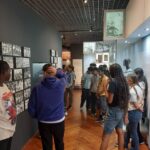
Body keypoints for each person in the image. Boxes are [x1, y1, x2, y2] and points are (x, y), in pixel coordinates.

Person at [28, 64, 66, 150]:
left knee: (46, 145)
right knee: (59, 143)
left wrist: (38, 116)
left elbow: (31, 108)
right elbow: (63, 75)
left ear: (44, 73)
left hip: (43, 121)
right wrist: (57, 72)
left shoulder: (37, 88)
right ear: (54, 73)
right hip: (59, 120)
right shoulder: (61, 84)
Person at [100, 63, 130, 150]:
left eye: (110, 70)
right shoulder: (124, 81)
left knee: (105, 137)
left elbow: (109, 100)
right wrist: (126, 113)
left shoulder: (113, 82)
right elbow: (127, 99)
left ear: (112, 71)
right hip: (121, 110)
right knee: (120, 132)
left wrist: (105, 88)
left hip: (113, 111)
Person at [0, 60, 16, 150]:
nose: (10, 73)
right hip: (2, 134)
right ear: (2, 72)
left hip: (9, 130)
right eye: (9, 71)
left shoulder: (4, 86)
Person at [125, 74, 144, 150]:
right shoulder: (138, 87)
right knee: (130, 129)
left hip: (133, 113)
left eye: (127, 79)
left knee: (133, 132)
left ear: (131, 80)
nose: (126, 80)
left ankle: (135, 148)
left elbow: (135, 105)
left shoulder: (132, 91)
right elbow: (141, 100)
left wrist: (140, 109)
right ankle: (125, 144)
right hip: (136, 113)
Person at [134, 68, 148, 144]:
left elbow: (140, 94)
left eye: (136, 73)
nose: (135, 75)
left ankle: (140, 139)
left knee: (136, 123)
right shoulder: (140, 80)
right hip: (138, 104)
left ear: (139, 74)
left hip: (139, 105)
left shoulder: (142, 81)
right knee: (135, 124)